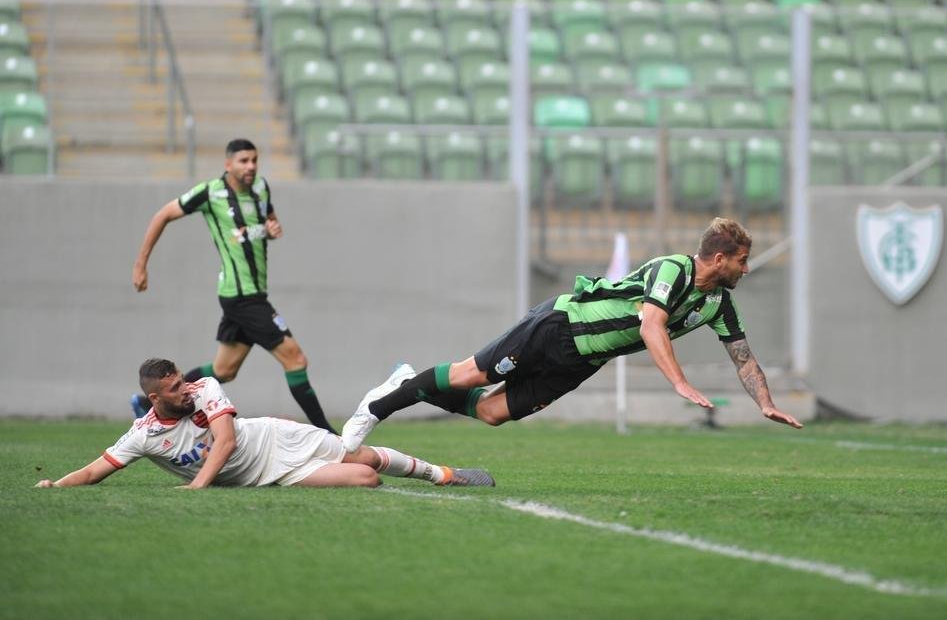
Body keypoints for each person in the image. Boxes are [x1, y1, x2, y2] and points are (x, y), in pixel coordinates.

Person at [342, 217, 803, 452]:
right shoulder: (673, 269)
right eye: (742, 259)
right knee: (470, 376)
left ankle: (409, 382)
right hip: (559, 326)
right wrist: (679, 382)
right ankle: (378, 409)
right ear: (720, 258)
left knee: (492, 414)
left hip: (581, 361)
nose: (746, 268)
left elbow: (743, 357)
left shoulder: (718, 303)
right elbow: (651, 323)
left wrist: (765, 403)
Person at [36, 358, 495, 489]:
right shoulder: (144, 435)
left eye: (183, 380)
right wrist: (58, 485)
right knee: (366, 478)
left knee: (361, 452)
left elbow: (226, 440)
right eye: (174, 387)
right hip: (276, 475)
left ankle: (447, 475)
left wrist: (198, 487)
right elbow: (98, 468)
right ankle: (384, 393)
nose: (185, 387)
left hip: (277, 438)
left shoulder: (205, 387)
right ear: (154, 399)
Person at [131, 138, 334, 432]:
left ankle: (147, 404)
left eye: (254, 160)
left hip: (247, 294)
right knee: (296, 359)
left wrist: (273, 228)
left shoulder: (262, 188)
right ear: (228, 165)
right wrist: (141, 264)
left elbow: (270, 220)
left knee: (223, 371)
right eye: (243, 161)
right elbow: (163, 215)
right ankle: (330, 435)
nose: (250, 166)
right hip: (243, 297)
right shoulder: (211, 193)